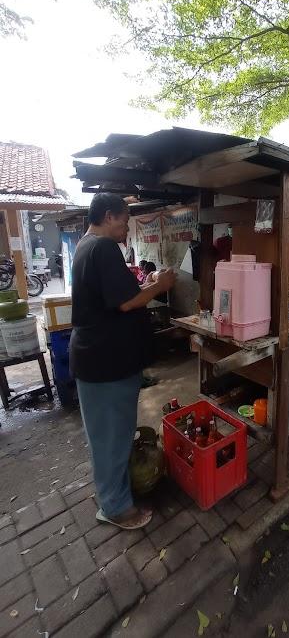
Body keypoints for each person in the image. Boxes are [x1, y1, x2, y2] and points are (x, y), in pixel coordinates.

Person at [70, 193, 176, 530]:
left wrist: (145, 285)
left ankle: (108, 492)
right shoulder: (101, 247)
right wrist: (160, 286)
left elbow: (117, 296)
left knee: (105, 435)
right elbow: (127, 304)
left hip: (97, 361)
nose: (127, 225)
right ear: (109, 215)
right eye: (125, 218)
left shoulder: (85, 246)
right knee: (114, 436)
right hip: (106, 363)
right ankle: (115, 507)